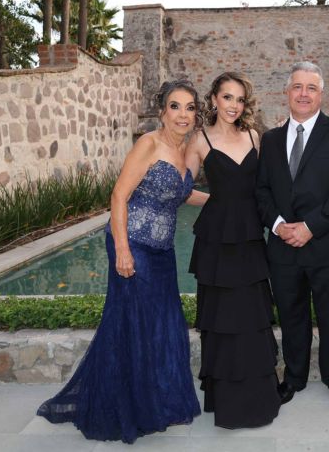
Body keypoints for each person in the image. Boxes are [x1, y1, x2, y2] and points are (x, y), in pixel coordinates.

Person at [37, 80, 208, 443]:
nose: (182, 114)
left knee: (161, 324)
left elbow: (182, 192)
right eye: (175, 106)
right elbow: (119, 195)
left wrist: (221, 200)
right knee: (132, 323)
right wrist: (123, 249)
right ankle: (123, 408)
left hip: (161, 250)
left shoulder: (186, 149)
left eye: (189, 107)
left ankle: (153, 401)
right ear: (162, 110)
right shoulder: (148, 143)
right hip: (132, 243)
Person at [255, 61, 329, 413]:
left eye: (311, 88)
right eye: (297, 87)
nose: (304, 94)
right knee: (291, 317)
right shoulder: (270, 140)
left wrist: (311, 226)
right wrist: (277, 225)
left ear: (322, 94)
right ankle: (295, 378)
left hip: (328, 245)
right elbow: (261, 190)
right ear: (286, 93)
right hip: (283, 249)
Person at [184, 72, 282, 428]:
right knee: (223, 318)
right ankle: (226, 401)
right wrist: (218, 201)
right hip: (217, 240)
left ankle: (257, 399)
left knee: (253, 316)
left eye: (239, 99)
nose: (234, 106)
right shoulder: (199, 139)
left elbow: (270, 184)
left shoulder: (256, 136)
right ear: (213, 99)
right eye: (227, 97)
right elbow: (182, 188)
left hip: (251, 238)